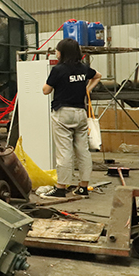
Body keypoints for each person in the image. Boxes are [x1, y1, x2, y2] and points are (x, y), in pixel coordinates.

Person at [41, 38, 102, 198]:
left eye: (57, 50)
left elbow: (46, 90)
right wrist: (86, 90)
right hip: (80, 113)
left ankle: (61, 188)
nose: (56, 52)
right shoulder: (83, 68)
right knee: (83, 151)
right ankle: (83, 187)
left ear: (62, 52)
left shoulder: (58, 69)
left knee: (64, 151)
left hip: (63, 113)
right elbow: (98, 75)